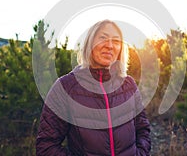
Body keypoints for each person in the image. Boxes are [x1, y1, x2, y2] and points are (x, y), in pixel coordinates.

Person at [36, 19, 151, 155]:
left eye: (115, 41)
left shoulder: (128, 85)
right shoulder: (65, 88)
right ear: (89, 43)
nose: (109, 46)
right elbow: (46, 145)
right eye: (103, 38)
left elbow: (143, 129)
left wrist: (140, 153)